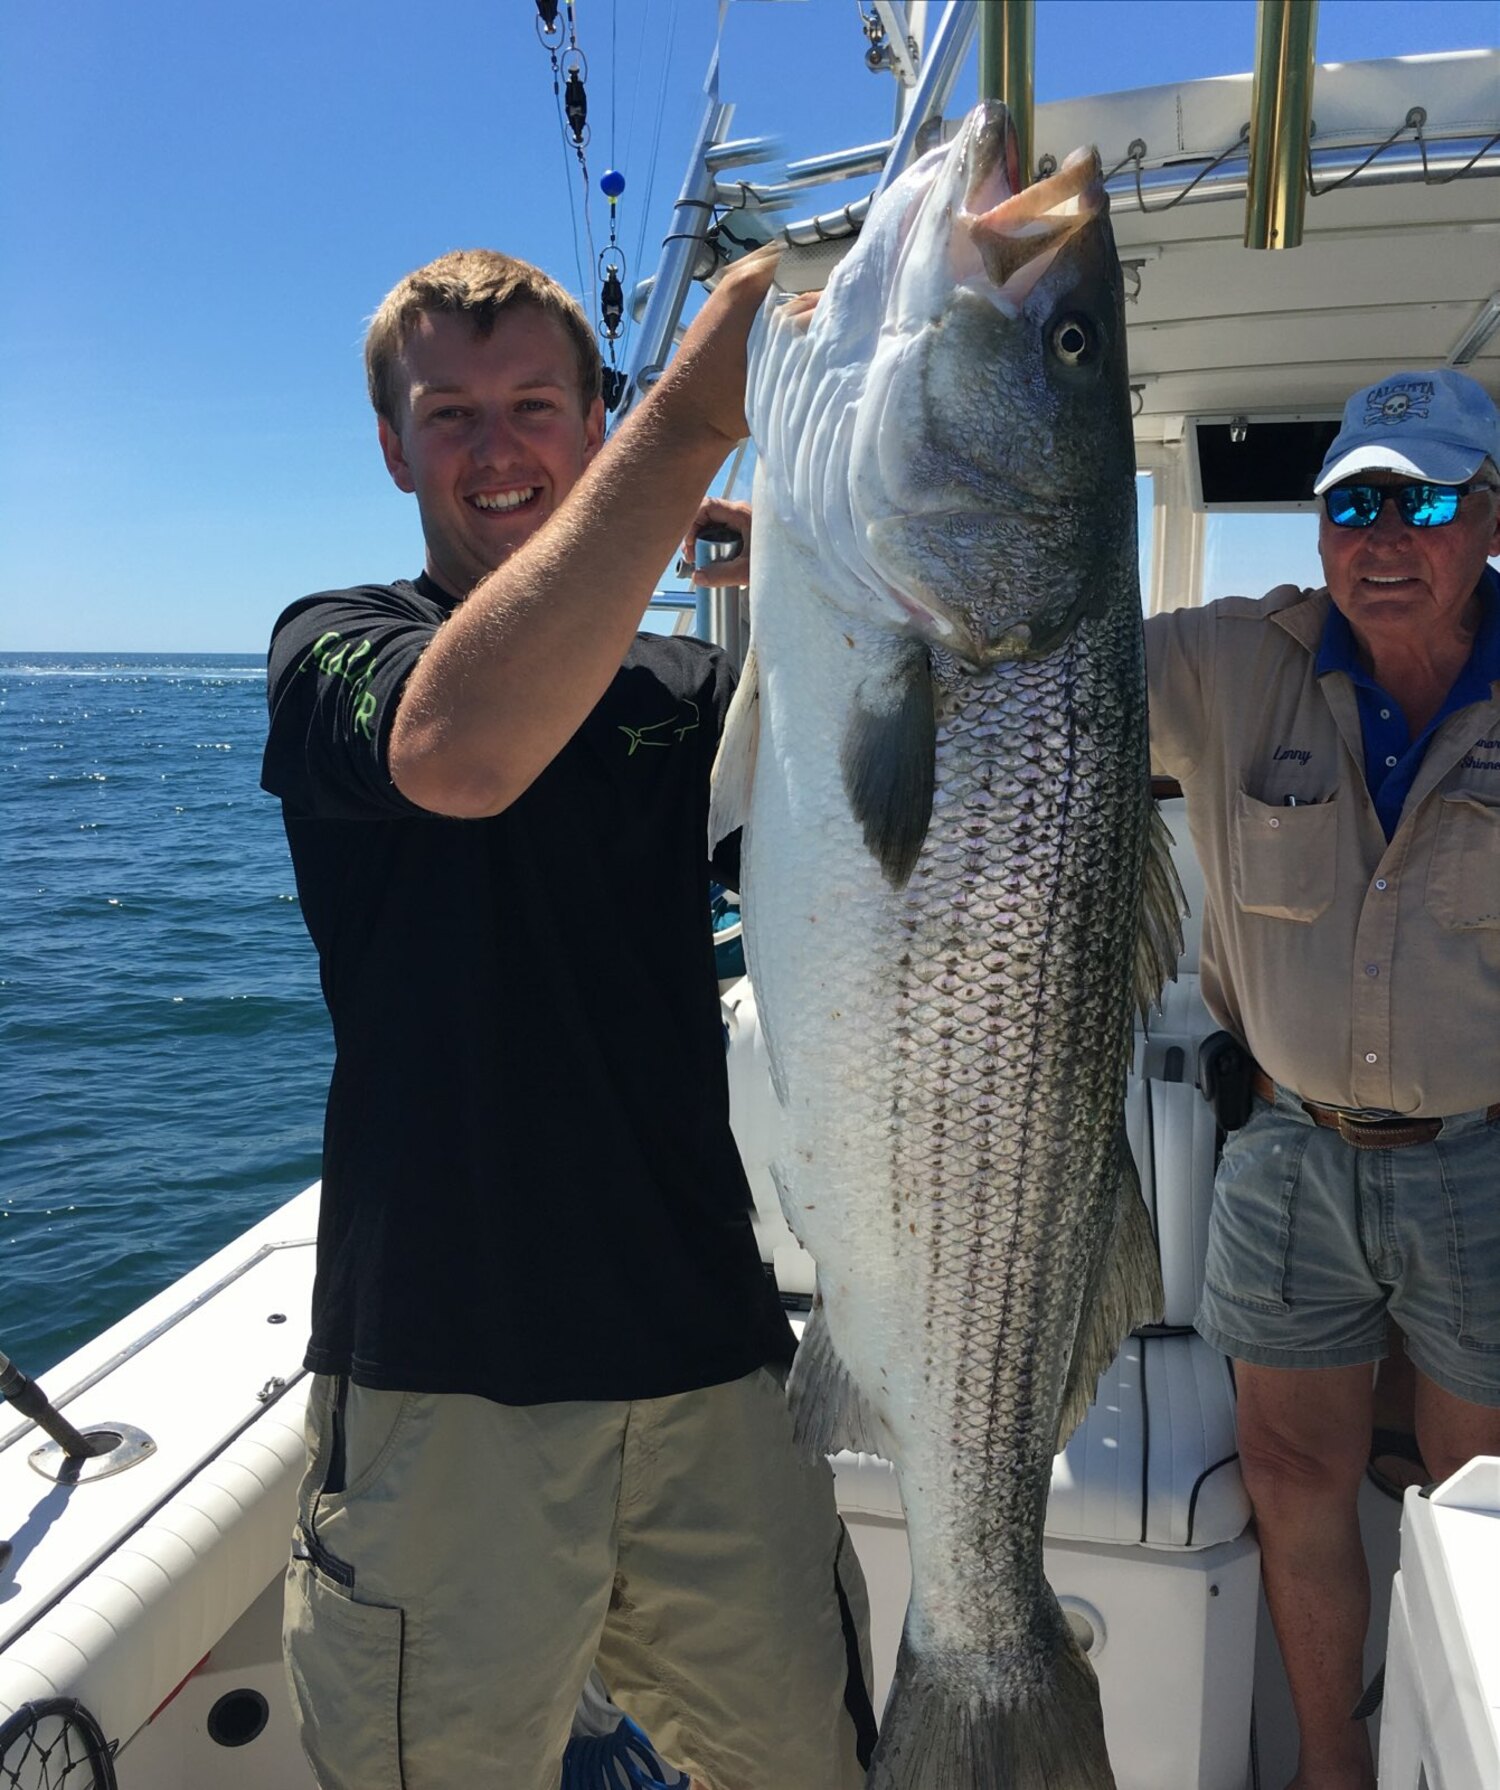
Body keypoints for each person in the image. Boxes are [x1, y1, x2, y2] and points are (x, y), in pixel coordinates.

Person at [260, 246, 875, 1790]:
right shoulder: (336, 646)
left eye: (536, 403)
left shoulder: (686, 686)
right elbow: (462, 750)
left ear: (592, 418)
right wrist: (686, 440)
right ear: (393, 447)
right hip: (439, 1391)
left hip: (714, 1370)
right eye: (448, 413)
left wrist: (809, 560)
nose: (496, 446)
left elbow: (868, 851)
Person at [1147, 367, 1500, 1790]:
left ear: (1488, 515)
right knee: (1293, 1479)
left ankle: (1453, 1746)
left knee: (1473, 1504)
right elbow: (1022, 655)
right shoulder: (1234, 663)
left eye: (1420, 499)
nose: (1381, 535)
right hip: (1286, 1149)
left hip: (1481, 1151)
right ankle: (1334, 1767)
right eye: (1353, 501)